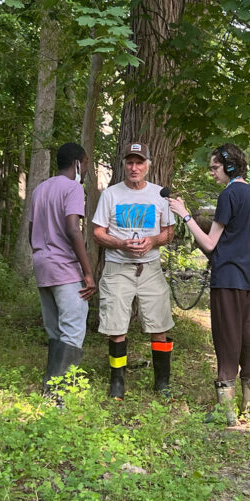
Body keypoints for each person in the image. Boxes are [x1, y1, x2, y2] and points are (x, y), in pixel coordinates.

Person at [168, 143, 250, 425]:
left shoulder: (229, 195)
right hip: (247, 279)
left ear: (229, 167)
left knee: (226, 339)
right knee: (247, 338)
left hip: (226, 279)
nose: (211, 173)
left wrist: (185, 215)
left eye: (214, 167)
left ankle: (225, 409)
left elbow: (210, 243)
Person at [92, 142, 175, 399]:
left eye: (139, 162)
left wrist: (152, 241)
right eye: (130, 162)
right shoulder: (111, 194)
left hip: (150, 268)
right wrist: (120, 244)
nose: (134, 167)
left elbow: (169, 231)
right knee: (117, 327)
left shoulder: (159, 194)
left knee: (159, 324)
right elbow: (97, 232)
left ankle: (162, 383)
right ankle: (117, 382)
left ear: (148, 165)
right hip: (118, 267)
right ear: (124, 165)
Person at [26, 142, 97, 402]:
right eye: (86, 164)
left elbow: (30, 230)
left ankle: (51, 387)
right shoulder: (73, 187)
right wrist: (87, 272)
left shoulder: (40, 189)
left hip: (42, 266)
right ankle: (58, 394)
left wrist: (40, 253)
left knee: (55, 329)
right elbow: (72, 228)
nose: (86, 169)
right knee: (73, 328)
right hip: (65, 268)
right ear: (78, 163)